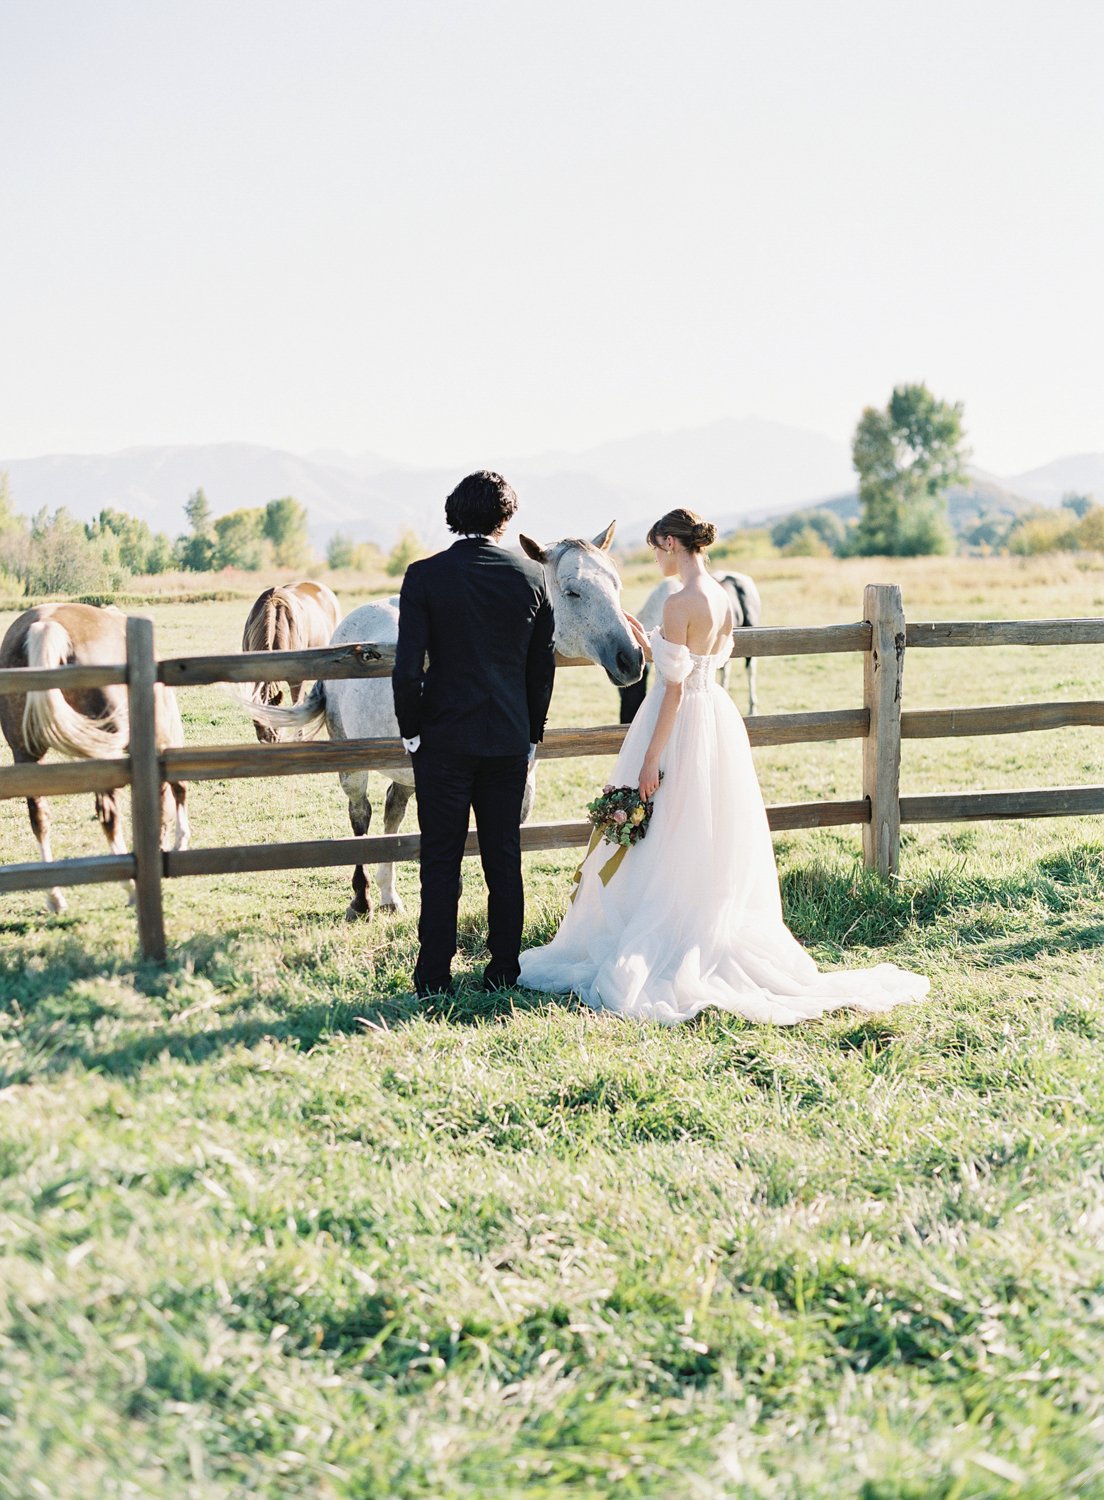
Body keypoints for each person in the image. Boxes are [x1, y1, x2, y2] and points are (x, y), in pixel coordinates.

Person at [518, 507, 929, 1024]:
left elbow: (670, 689)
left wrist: (649, 758)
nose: (655, 560)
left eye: (655, 549)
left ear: (671, 544)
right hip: (715, 717)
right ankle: (702, 921)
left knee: (663, 820)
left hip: (679, 720)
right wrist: (653, 645)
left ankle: (662, 931)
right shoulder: (722, 599)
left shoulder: (676, 602)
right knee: (705, 828)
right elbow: (699, 660)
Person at [393, 471, 556, 998]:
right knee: (504, 858)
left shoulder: (424, 576)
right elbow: (541, 669)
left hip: (442, 741)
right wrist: (532, 735)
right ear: (506, 518)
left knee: (440, 861)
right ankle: (503, 971)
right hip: (508, 739)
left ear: (453, 513)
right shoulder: (533, 578)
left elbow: (406, 669)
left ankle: (433, 978)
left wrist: (411, 733)